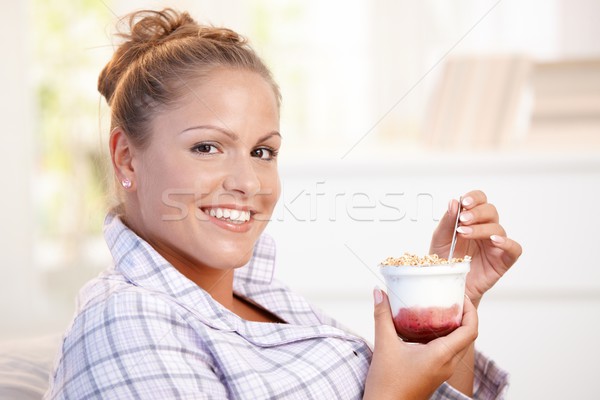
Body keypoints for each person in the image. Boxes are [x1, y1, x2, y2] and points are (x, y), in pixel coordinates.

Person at [45, 8, 522, 400]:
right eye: (207, 147)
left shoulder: (264, 299)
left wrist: (443, 301)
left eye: (262, 152)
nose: (248, 182)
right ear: (126, 157)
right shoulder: (126, 325)